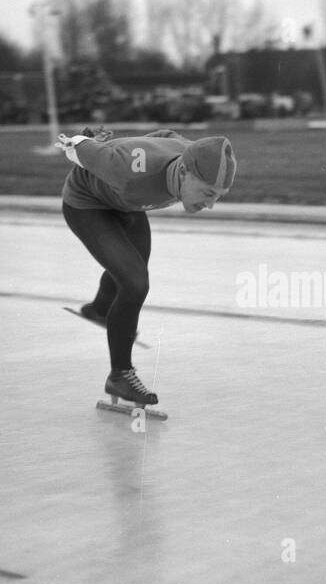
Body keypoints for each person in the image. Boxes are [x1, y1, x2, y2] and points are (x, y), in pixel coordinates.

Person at [59, 126, 236, 408]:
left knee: (131, 267)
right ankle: (120, 376)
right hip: (88, 205)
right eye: (207, 193)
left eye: (218, 196)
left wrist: (144, 141)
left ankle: (101, 309)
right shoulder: (131, 171)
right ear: (182, 173)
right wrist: (89, 140)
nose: (211, 204)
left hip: (127, 205)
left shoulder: (190, 155)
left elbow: (166, 136)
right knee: (134, 282)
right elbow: (75, 146)